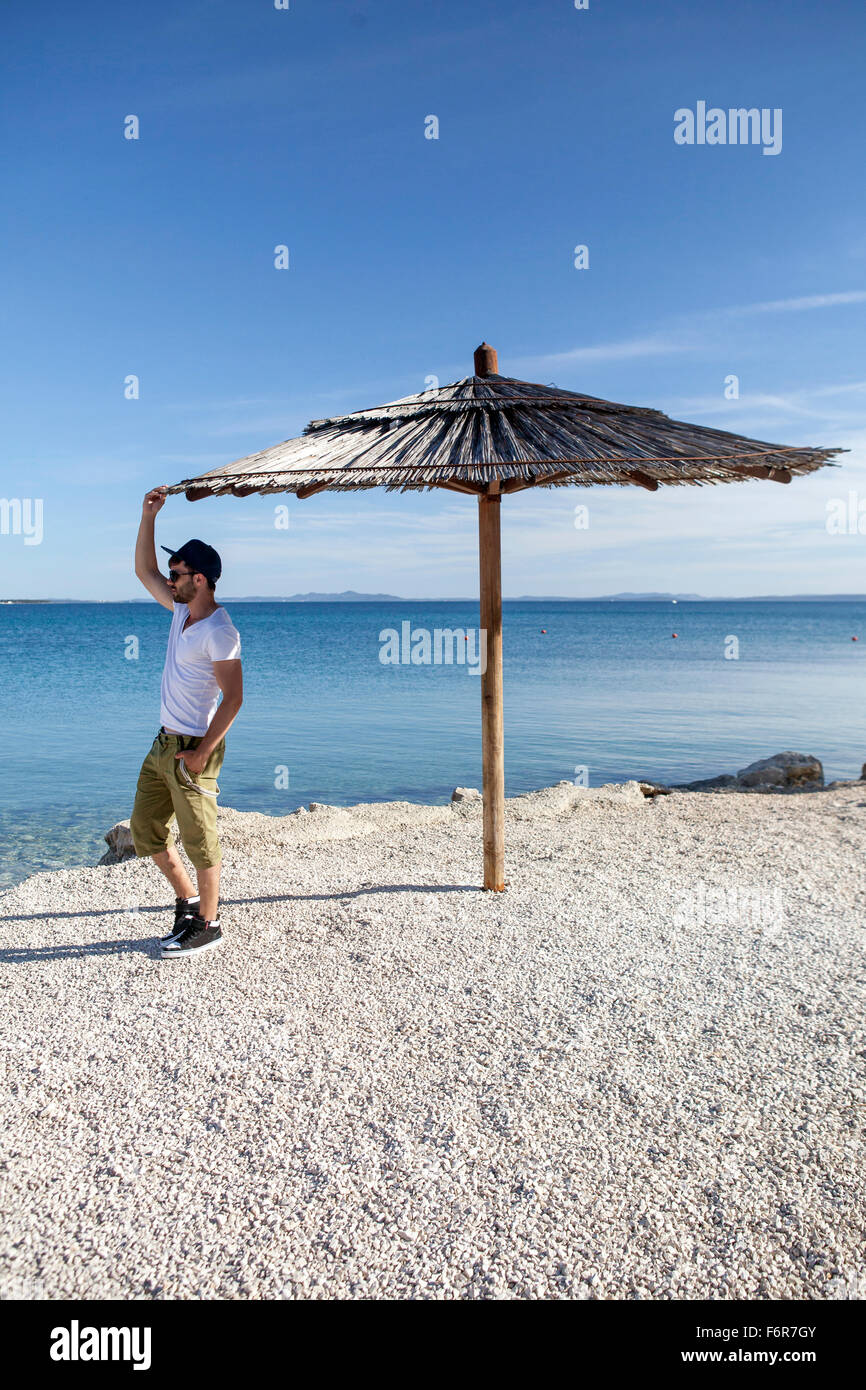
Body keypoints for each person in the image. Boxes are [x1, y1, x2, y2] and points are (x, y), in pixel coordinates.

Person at [130, 486, 243, 957]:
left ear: (200, 579)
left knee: (200, 840)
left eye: (177, 574)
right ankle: (188, 903)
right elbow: (143, 570)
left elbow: (234, 699)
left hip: (196, 746)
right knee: (144, 829)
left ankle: (210, 925)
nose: (169, 579)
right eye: (172, 574)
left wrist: (201, 753)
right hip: (163, 745)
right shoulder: (180, 613)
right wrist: (148, 515)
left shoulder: (220, 631)